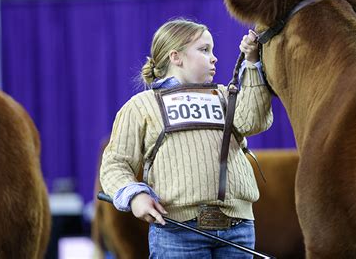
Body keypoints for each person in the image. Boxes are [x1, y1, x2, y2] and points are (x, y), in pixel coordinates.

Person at [100, 18, 273, 258]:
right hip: (177, 230)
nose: (214, 58)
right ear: (176, 57)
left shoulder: (225, 96)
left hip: (238, 226)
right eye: (204, 50)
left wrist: (253, 64)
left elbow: (254, 121)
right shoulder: (141, 106)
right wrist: (135, 196)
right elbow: (115, 163)